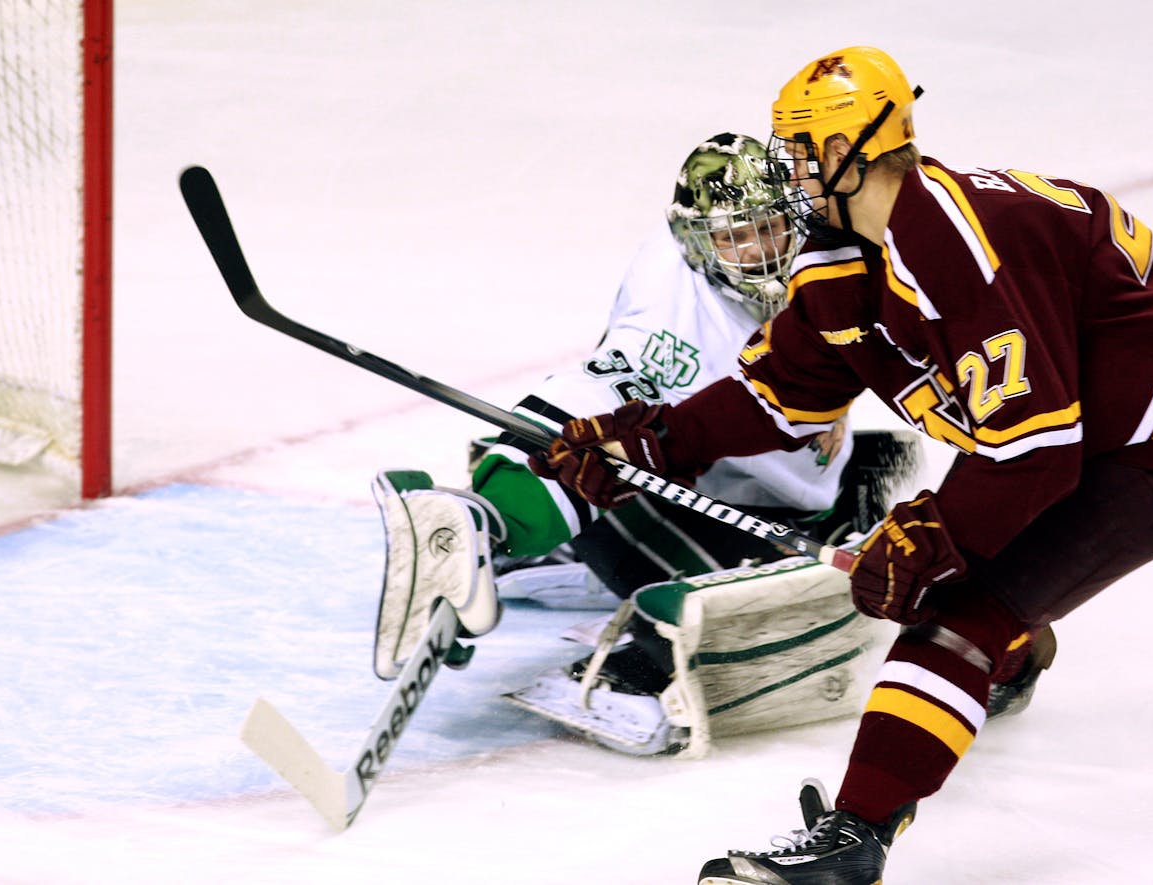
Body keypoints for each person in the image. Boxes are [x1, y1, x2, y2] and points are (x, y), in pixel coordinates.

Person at [531, 47, 1153, 883]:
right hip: (1066, 433)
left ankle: (853, 840)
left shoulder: (952, 239)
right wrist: (642, 442)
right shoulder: (848, 254)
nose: (790, 172)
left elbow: (1037, 448)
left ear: (844, 153)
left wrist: (930, 536)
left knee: (955, 615)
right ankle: (1008, 653)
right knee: (967, 589)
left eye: (800, 152)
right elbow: (779, 391)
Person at [374, 132, 923, 757]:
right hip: (713, 504)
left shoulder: (834, 257)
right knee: (744, 598)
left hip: (793, 484)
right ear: (693, 241)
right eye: (732, 238)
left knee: (906, 470)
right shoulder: (674, 304)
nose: (759, 254)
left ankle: (552, 536)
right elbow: (605, 385)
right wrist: (499, 507)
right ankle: (496, 524)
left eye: (770, 228)